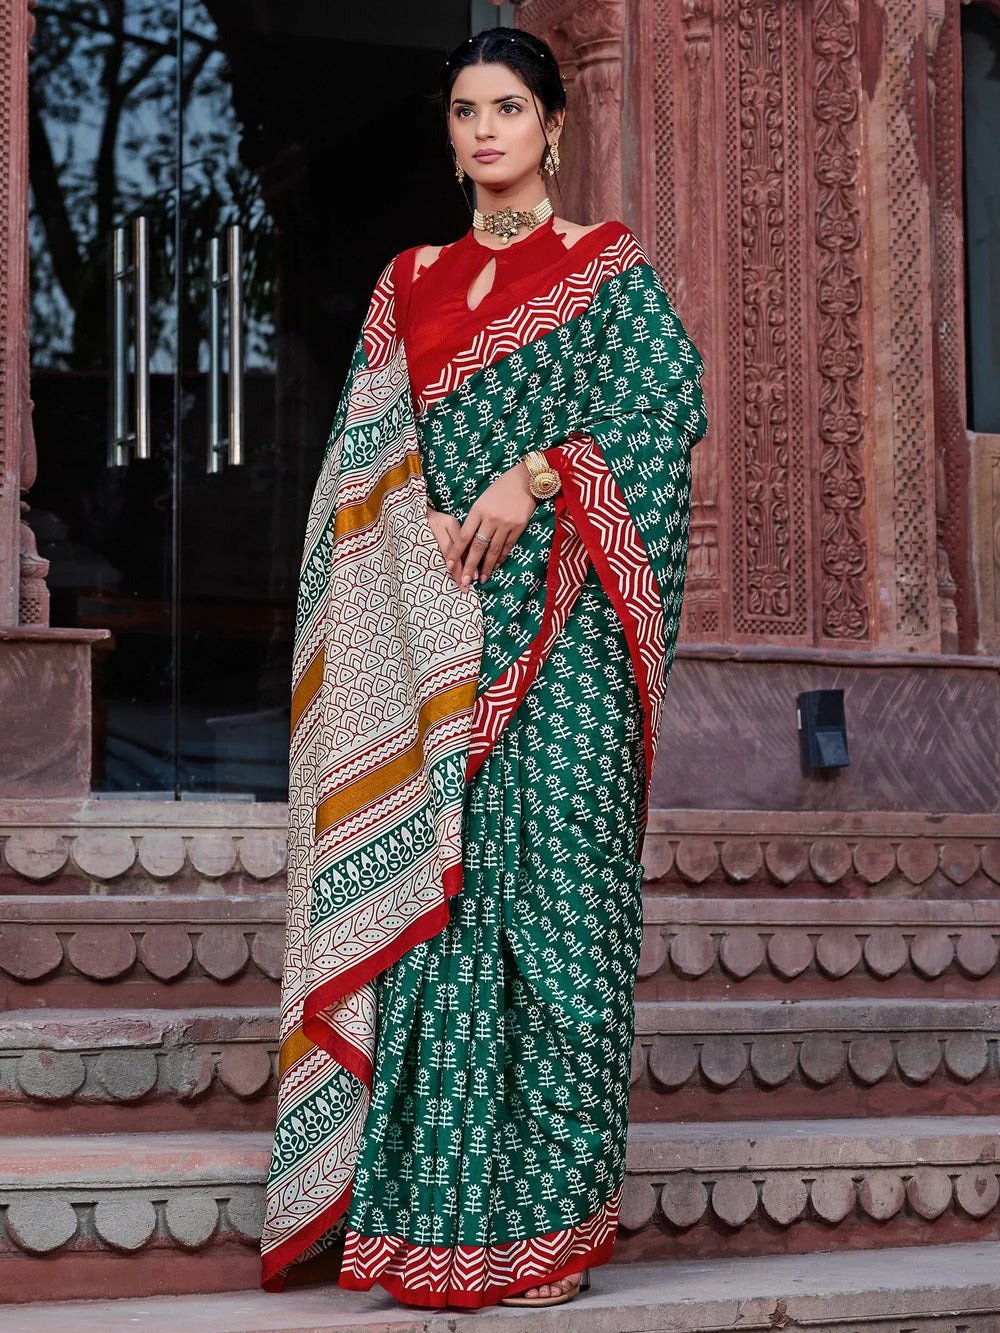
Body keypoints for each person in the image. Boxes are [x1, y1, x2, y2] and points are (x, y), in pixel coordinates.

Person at [261, 25, 707, 1311]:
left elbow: (658, 411)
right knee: (441, 924)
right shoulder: (410, 283)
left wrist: (536, 472)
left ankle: (551, 1229)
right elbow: (361, 469)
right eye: (466, 110)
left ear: (554, 126)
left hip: (566, 637)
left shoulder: (606, 270)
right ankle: (438, 1229)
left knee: (562, 913)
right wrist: (421, 533)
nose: (485, 131)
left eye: (509, 107)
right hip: (436, 637)